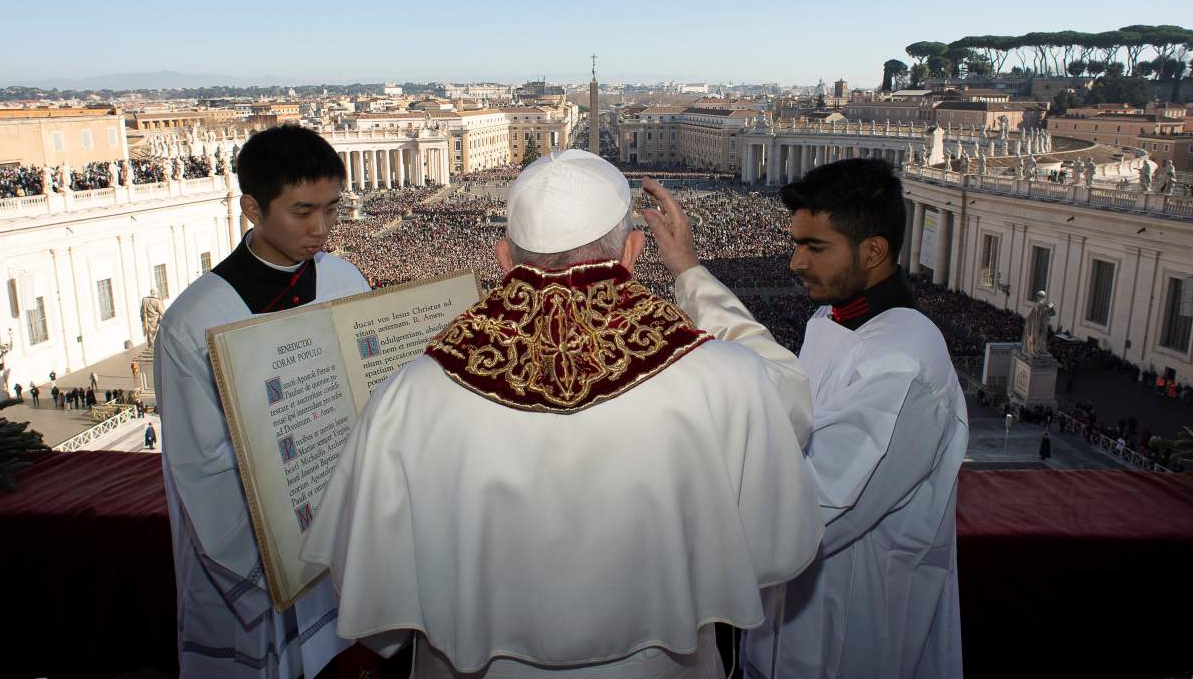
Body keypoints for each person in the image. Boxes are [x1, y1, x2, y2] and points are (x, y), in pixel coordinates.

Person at [302, 150, 823, 678]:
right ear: (634, 251)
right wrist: (689, 272)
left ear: (504, 258)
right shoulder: (724, 378)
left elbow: (370, 584)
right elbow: (781, 516)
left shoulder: (409, 393)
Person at [642, 158, 968, 679]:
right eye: (797, 243)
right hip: (779, 642)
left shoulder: (906, 365)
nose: (795, 262)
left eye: (815, 248)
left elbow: (806, 512)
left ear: (874, 250)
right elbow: (777, 406)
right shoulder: (829, 321)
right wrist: (687, 270)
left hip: (855, 650)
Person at [156, 125, 371, 678]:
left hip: (343, 518)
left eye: (332, 209)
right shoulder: (193, 321)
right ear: (252, 207)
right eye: (302, 212)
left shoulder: (345, 279)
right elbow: (200, 464)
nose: (321, 229)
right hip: (261, 547)